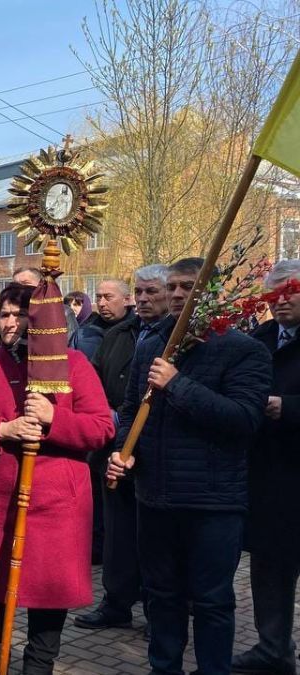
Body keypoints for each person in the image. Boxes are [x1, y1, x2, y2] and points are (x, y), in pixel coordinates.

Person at [106, 257, 272, 675]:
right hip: (155, 496)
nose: (179, 294)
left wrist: (177, 384)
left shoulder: (244, 350)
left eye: (190, 286)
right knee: (161, 595)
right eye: (174, 287)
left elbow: (243, 420)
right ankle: (164, 668)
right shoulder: (151, 346)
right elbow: (131, 411)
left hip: (212, 502)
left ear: (213, 292)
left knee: (212, 600)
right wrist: (123, 450)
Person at [0, 283, 114, 675]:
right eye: (4, 314)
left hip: (54, 503)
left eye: (20, 315)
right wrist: (2, 430)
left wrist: (55, 419)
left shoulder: (72, 364)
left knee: (47, 590)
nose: (10, 322)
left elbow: (101, 428)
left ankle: (38, 663)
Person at [75, 265, 169, 631]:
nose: (145, 299)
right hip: (112, 449)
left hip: (153, 455)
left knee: (154, 538)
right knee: (117, 533)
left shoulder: (179, 336)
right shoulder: (118, 334)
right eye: (141, 292)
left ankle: (156, 609)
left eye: (151, 293)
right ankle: (116, 602)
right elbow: (93, 381)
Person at [233, 260, 300, 674]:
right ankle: (273, 649)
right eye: (273, 295)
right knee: (270, 567)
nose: (281, 301)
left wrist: (287, 408)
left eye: (290, 291)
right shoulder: (259, 339)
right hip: (271, 480)